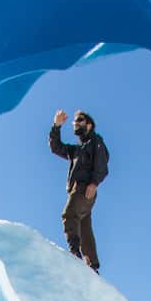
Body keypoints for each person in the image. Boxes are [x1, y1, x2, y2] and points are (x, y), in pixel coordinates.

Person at [49, 109, 109, 273]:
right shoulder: (77, 150)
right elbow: (56, 147)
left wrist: (94, 183)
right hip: (76, 189)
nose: (75, 123)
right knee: (84, 227)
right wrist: (56, 126)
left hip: (85, 188)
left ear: (89, 125)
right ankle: (93, 265)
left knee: (69, 215)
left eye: (80, 120)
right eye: (74, 121)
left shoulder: (95, 142)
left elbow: (103, 165)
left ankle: (74, 253)